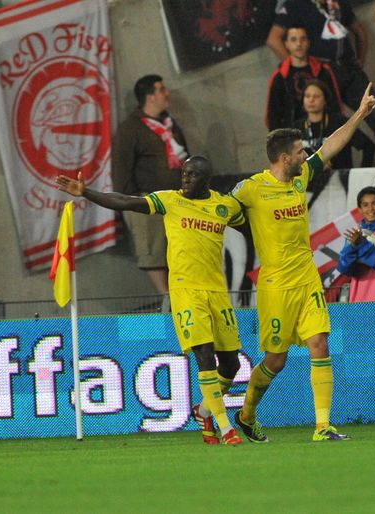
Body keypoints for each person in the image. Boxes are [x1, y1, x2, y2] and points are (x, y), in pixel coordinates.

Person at [58, 156, 245, 445]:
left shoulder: (224, 206)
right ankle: (225, 427)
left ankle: (205, 411)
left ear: (206, 179)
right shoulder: (170, 200)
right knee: (204, 355)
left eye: (192, 175)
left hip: (218, 293)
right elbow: (125, 201)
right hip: (186, 292)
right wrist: (87, 192)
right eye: (183, 173)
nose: (185, 179)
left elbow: (253, 225)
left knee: (231, 365)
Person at [230, 82, 375, 443]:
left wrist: (358, 115)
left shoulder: (301, 178)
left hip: (307, 280)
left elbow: (330, 145)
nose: (305, 154)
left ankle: (322, 425)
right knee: (275, 361)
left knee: (320, 344)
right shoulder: (252, 189)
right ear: (284, 158)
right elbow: (222, 210)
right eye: (299, 151)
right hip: (275, 287)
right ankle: (246, 414)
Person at [267, 0, 375, 166]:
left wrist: (360, 59)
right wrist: (298, 67)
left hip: (350, 68)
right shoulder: (297, 4)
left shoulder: (339, 3)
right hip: (323, 73)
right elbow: (273, 39)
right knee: (328, 123)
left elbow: (359, 31)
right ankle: (324, 169)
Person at [112, 74, 189, 309]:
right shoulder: (131, 129)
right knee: (153, 253)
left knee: (176, 252)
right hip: (147, 202)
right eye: (162, 89)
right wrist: (131, 202)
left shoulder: (170, 124)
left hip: (175, 201)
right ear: (150, 96)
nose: (167, 93)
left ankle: (178, 297)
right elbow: (121, 168)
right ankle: (168, 299)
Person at [266, 25, 344, 131]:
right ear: (286, 44)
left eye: (303, 39)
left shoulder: (323, 71)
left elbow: (335, 105)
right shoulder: (280, 77)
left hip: (324, 132)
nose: (299, 44)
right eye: (293, 40)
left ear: (308, 41)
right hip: (294, 136)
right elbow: (272, 115)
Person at [297, 79, 375, 169]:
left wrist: (360, 175)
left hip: (339, 178)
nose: (311, 100)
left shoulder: (339, 122)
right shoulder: (296, 127)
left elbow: (369, 146)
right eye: (307, 96)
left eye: (316, 96)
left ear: (325, 100)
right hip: (308, 180)